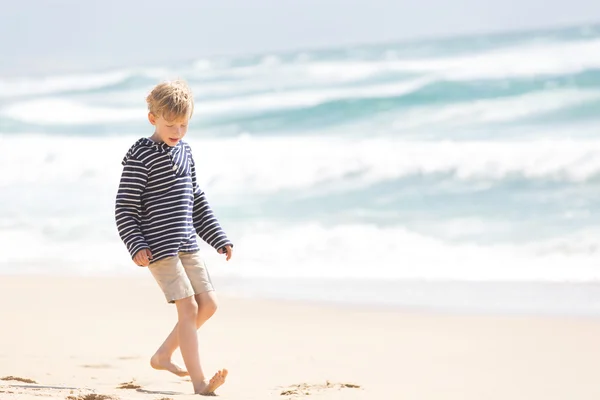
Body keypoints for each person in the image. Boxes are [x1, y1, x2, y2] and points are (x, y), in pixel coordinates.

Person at [115, 79, 232, 395]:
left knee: (209, 304)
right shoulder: (141, 155)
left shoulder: (186, 152)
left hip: (187, 244)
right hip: (158, 249)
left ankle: (163, 355)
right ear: (153, 118)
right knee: (189, 308)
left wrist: (218, 237)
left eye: (184, 125)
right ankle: (200, 383)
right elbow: (124, 207)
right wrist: (136, 244)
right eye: (171, 124)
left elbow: (196, 199)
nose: (178, 132)